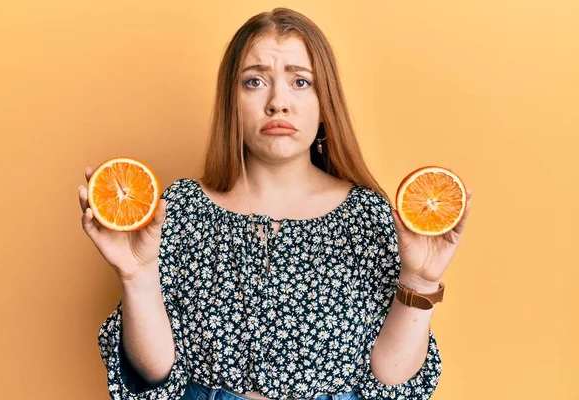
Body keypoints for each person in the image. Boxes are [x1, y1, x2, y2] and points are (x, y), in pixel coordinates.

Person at [79, 7, 472, 400]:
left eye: (301, 82)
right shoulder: (180, 209)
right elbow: (157, 377)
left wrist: (420, 282)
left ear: (325, 104)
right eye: (254, 82)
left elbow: (390, 380)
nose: (277, 102)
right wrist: (137, 277)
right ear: (231, 103)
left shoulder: (368, 215)